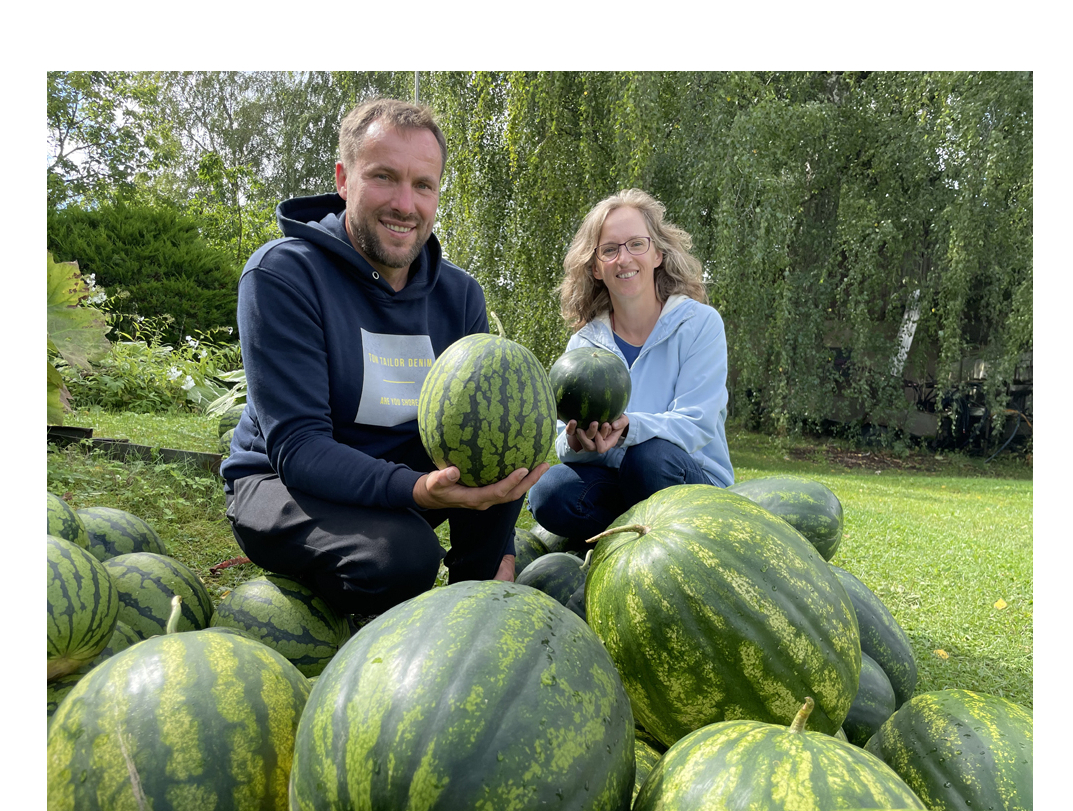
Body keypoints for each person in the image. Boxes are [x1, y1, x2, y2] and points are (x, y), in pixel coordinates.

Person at [219, 98, 548, 619]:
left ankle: (475, 612)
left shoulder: (460, 297)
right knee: (399, 558)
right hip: (281, 483)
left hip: (400, 482)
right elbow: (299, 447)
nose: (405, 203)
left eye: (423, 185)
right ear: (343, 178)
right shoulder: (283, 276)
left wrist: (496, 556)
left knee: (500, 448)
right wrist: (416, 492)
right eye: (384, 177)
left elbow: (485, 433)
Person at [528, 188, 734, 546]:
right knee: (550, 491)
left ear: (657, 253)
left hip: (690, 481)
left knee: (648, 460)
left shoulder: (700, 323)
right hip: (616, 481)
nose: (624, 259)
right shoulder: (585, 343)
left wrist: (627, 429)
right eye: (610, 250)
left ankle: (676, 540)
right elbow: (563, 440)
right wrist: (579, 441)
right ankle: (629, 540)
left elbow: (697, 424)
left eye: (636, 244)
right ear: (595, 267)